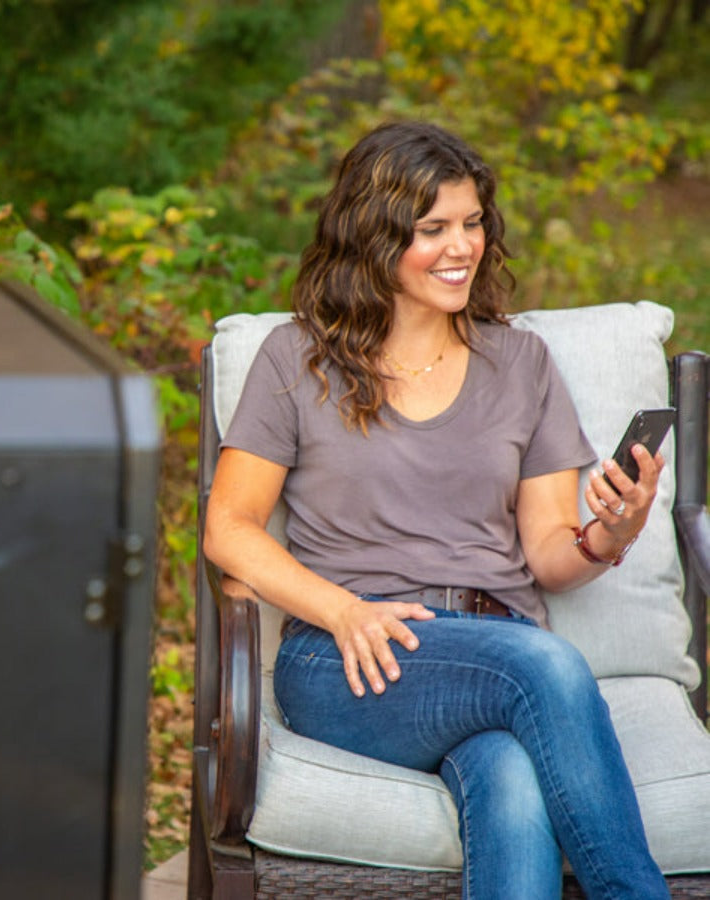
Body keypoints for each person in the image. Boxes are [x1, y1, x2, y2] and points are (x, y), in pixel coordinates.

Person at [203, 121, 671, 899]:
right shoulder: (298, 358)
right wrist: (345, 612)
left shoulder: (519, 362)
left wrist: (609, 536)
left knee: (514, 778)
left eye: (473, 223)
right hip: (351, 657)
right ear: (375, 237)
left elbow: (551, 552)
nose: (463, 247)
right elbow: (227, 528)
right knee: (548, 664)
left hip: (495, 641)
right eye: (434, 229)